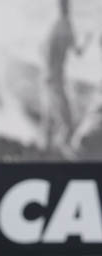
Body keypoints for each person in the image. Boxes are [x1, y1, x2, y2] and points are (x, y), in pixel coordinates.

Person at [43, 0, 91, 158]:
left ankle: (49, 150)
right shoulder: (66, 27)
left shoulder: (57, 26)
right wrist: (87, 40)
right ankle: (64, 153)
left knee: (53, 120)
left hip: (51, 79)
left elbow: (46, 51)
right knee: (67, 122)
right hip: (55, 80)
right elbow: (78, 52)